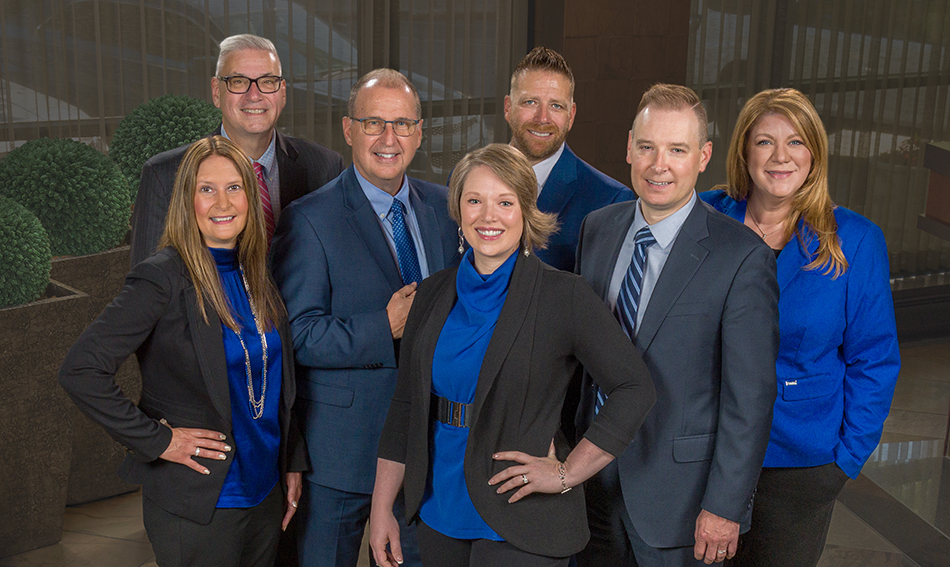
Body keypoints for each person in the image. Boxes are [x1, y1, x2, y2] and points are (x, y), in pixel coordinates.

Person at [369, 143, 656, 567]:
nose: (489, 216)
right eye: (474, 200)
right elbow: (406, 404)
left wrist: (567, 473)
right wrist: (381, 510)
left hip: (522, 517)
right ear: (458, 210)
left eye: (505, 202)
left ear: (526, 210)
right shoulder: (430, 295)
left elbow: (635, 388)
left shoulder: (565, 296)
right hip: (438, 508)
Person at [59, 136, 306, 566]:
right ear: (186, 200)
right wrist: (159, 441)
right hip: (199, 505)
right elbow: (80, 370)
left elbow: (276, 382)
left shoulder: (258, 275)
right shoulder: (162, 278)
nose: (222, 202)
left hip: (265, 496)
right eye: (206, 189)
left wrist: (291, 463)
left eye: (234, 187)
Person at [573, 84, 779, 566]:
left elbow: (749, 399)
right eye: (647, 147)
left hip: (680, 503)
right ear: (629, 147)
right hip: (590, 483)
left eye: (677, 150)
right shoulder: (597, 229)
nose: (658, 164)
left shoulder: (742, 257)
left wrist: (724, 507)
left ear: (703, 156)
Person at [700, 88, 900, 567]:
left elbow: (874, 358)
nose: (780, 157)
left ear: (814, 153)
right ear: (744, 151)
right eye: (765, 142)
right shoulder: (704, 217)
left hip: (800, 463)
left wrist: (844, 461)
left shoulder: (854, 240)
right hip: (705, 448)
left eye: (796, 142)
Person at [270, 68, 460, 567]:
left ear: (420, 132)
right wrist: (385, 326)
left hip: (426, 453)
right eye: (374, 123)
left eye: (402, 124)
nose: (388, 138)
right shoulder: (309, 218)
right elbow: (298, 334)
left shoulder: (446, 209)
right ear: (349, 129)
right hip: (342, 457)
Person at [130, 33, 344, 267]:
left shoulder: (325, 168)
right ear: (216, 92)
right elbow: (148, 291)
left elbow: (340, 267)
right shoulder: (165, 176)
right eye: (238, 81)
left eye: (267, 81)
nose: (254, 95)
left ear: (282, 92)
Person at [504, 46, 633, 272]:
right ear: (508, 108)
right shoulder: (466, 180)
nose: (542, 118)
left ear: (571, 116)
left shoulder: (609, 200)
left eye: (556, 106)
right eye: (530, 102)